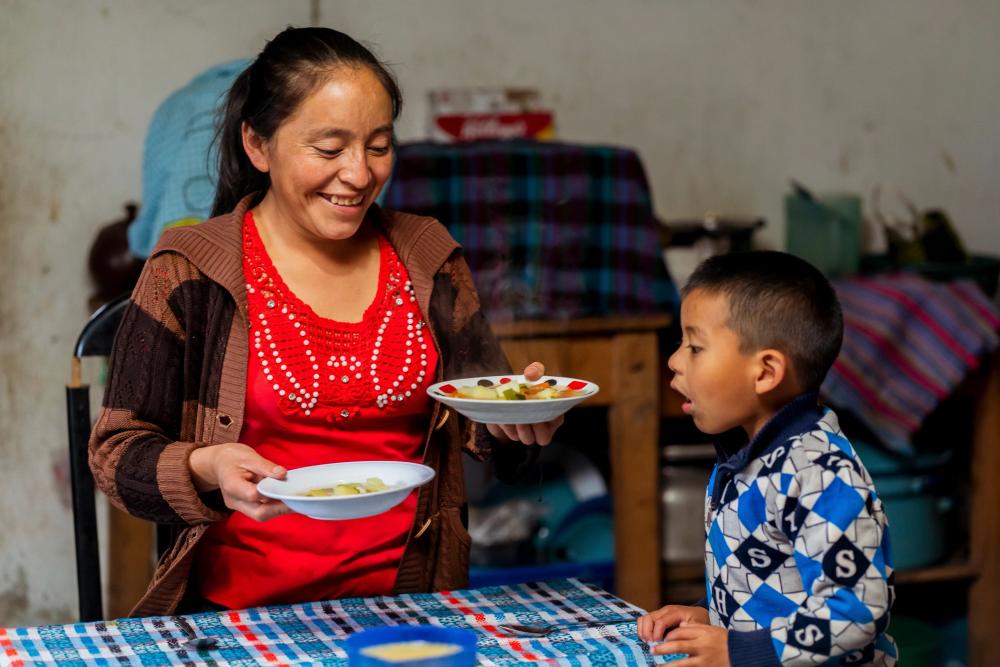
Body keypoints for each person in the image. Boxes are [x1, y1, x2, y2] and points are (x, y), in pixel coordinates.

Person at [89, 26, 563, 617]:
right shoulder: (190, 272)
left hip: (411, 605)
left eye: (379, 145)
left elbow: (492, 440)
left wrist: (518, 420)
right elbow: (116, 453)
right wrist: (203, 465)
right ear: (258, 146)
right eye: (330, 148)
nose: (360, 175)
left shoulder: (428, 259)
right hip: (241, 617)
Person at [637, 252, 896, 666]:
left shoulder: (819, 474)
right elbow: (775, 581)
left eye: (695, 346)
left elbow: (857, 610)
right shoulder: (751, 457)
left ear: (765, 372)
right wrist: (709, 617)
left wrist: (739, 650)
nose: (674, 361)